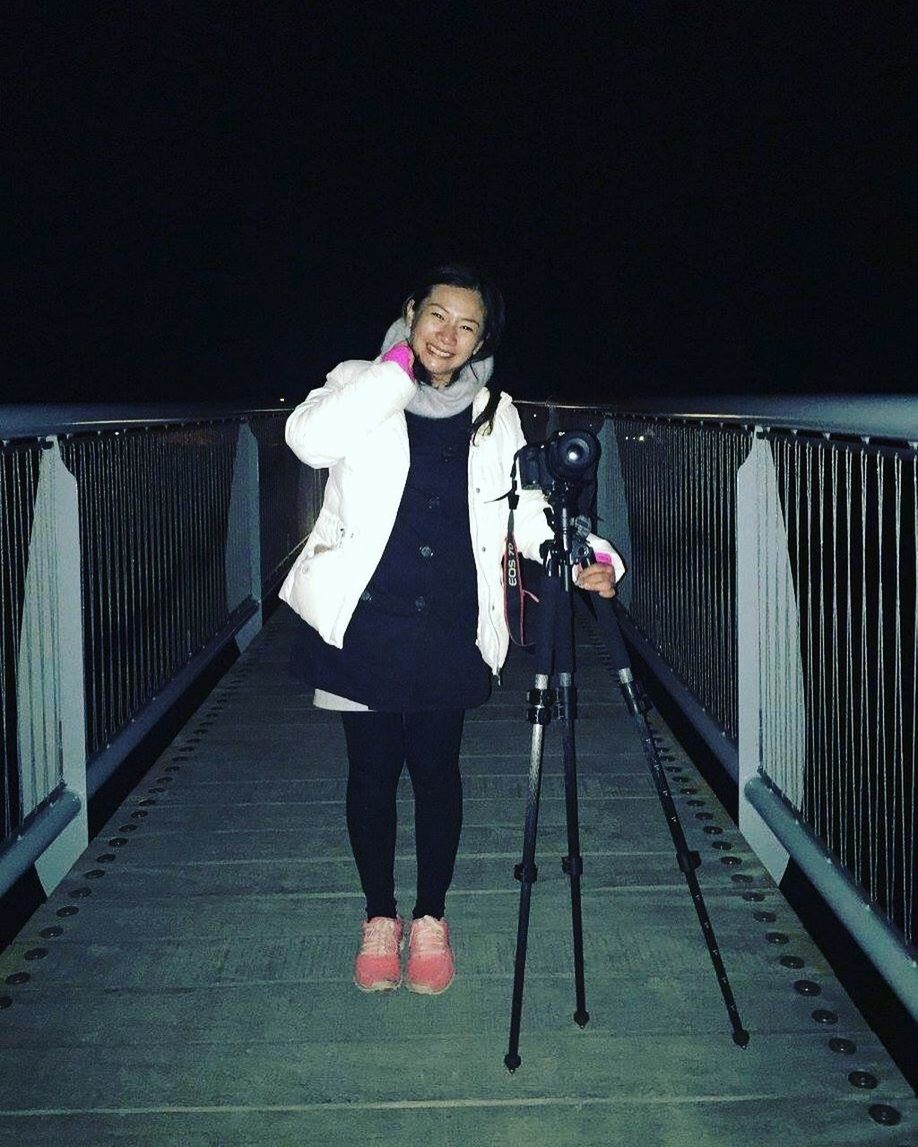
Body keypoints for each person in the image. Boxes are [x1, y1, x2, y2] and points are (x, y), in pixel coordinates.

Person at [279, 263, 623, 995]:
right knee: (371, 773)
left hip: (449, 624)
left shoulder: (498, 413)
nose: (449, 336)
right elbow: (308, 443)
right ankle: (380, 916)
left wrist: (588, 555)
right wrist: (395, 370)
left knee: (436, 772)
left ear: (482, 340)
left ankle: (430, 916)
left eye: (467, 326)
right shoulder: (356, 381)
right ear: (411, 312)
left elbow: (527, 512)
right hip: (363, 620)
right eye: (437, 316)